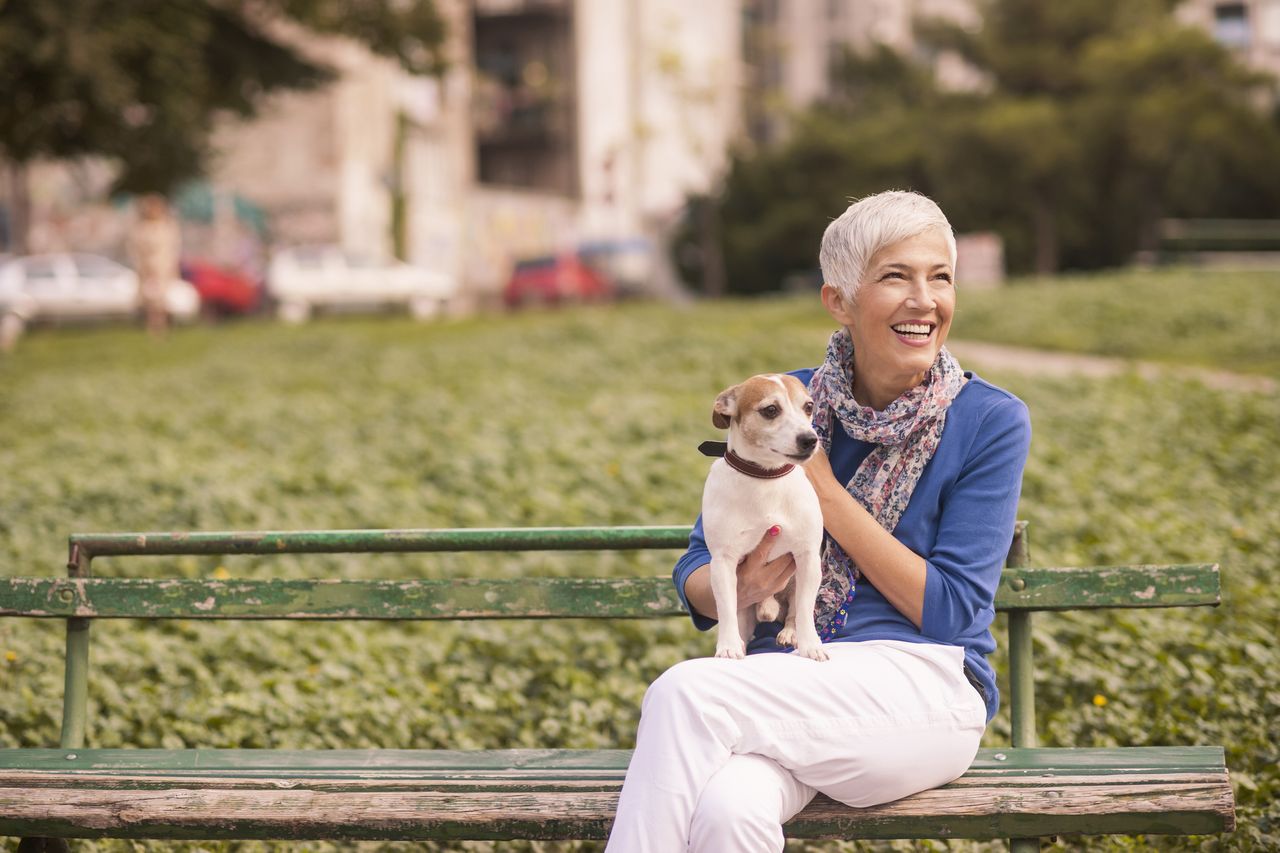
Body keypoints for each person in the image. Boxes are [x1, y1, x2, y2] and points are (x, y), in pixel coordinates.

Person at [604, 190, 1032, 852]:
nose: (925, 299)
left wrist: (825, 492)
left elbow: (952, 611)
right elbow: (697, 564)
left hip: (926, 688)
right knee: (724, 811)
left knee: (687, 693)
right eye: (896, 275)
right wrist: (738, 585)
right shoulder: (785, 401)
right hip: (791, 682)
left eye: (939, 277)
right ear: (839, 300)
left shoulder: (989, 420)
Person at [129, 194, 181, 338]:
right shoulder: (140, 229)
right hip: (147, 269)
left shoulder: (168, 227)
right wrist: (143, 267)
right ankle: (152, 327)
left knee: (162, 300)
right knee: (150, 300)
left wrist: (172, 268)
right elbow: (136, 250)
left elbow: (173, 250)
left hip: (163, 268)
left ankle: (163, 326)